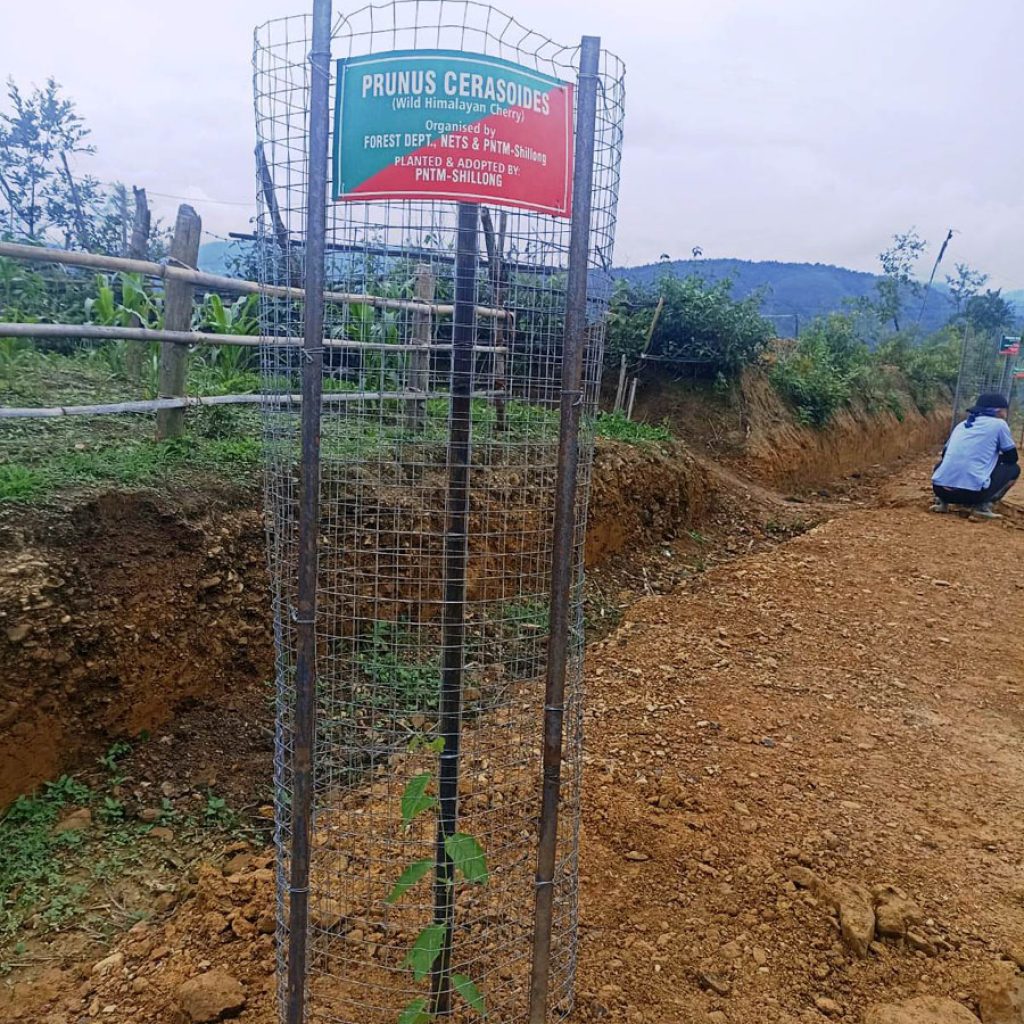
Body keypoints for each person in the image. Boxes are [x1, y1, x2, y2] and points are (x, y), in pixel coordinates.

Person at [931, 392, 1020, 519]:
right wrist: (993, 459)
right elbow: (1012, 458)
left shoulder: (962, 425)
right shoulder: (999, 425)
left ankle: (942, 503)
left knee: (943, 464)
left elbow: (945, 454)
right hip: (973, 495)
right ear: (999, 411)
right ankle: (982, 506)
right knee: (1014, 469)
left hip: (940, 490)